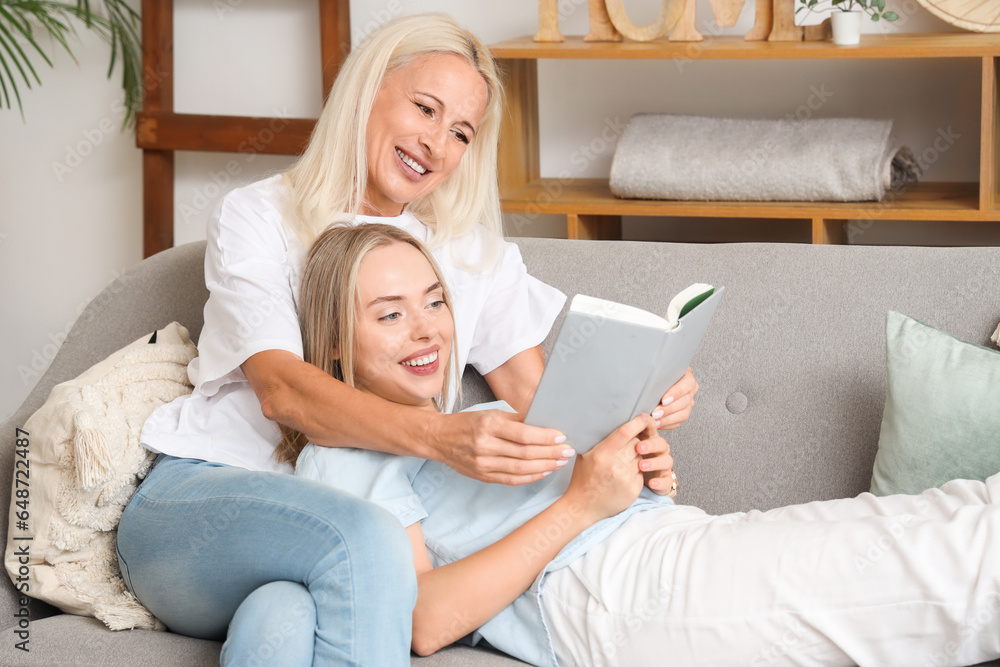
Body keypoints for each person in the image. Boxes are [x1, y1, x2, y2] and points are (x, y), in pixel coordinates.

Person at [116, 12, 697, 667]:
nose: (435, 144)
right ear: (368, 89)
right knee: (368, 537)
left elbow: (545, 407)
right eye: (424, 108)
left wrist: (638, 414)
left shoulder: (470, 249)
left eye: (459, 132)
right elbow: (282, 391)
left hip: (319, 549)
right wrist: (440, 437)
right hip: (201, 505)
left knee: (281, 617)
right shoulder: (259, 216)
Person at [286, 221, 1000, 667]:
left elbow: (604, 496)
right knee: (943, 570)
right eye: (390, 313)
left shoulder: (493, 410)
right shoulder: (340, 459)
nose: (426, 329)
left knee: (947, 515)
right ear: (337, 345)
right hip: (600, 599)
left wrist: (646, 470)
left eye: (434, 301)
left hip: (666, 548)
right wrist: (582, 506)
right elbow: (423, 620)